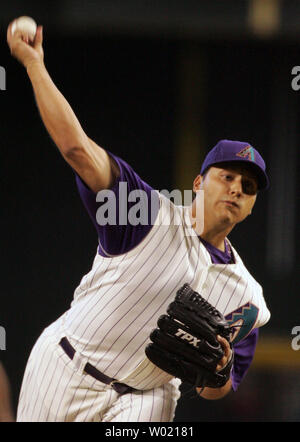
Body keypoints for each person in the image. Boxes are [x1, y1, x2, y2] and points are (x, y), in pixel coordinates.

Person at [7, 22, 270, 422]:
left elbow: (217, 388)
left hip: (144, 398)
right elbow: (78, 149)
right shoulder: (145, 213)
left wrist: (217, 368)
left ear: (251, 206)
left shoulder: (248, 298)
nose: (236, 189)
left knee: (160, 397)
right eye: (227, 177)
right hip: (66, 366)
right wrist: (33, 64)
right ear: (199, 183)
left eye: (247, 187)